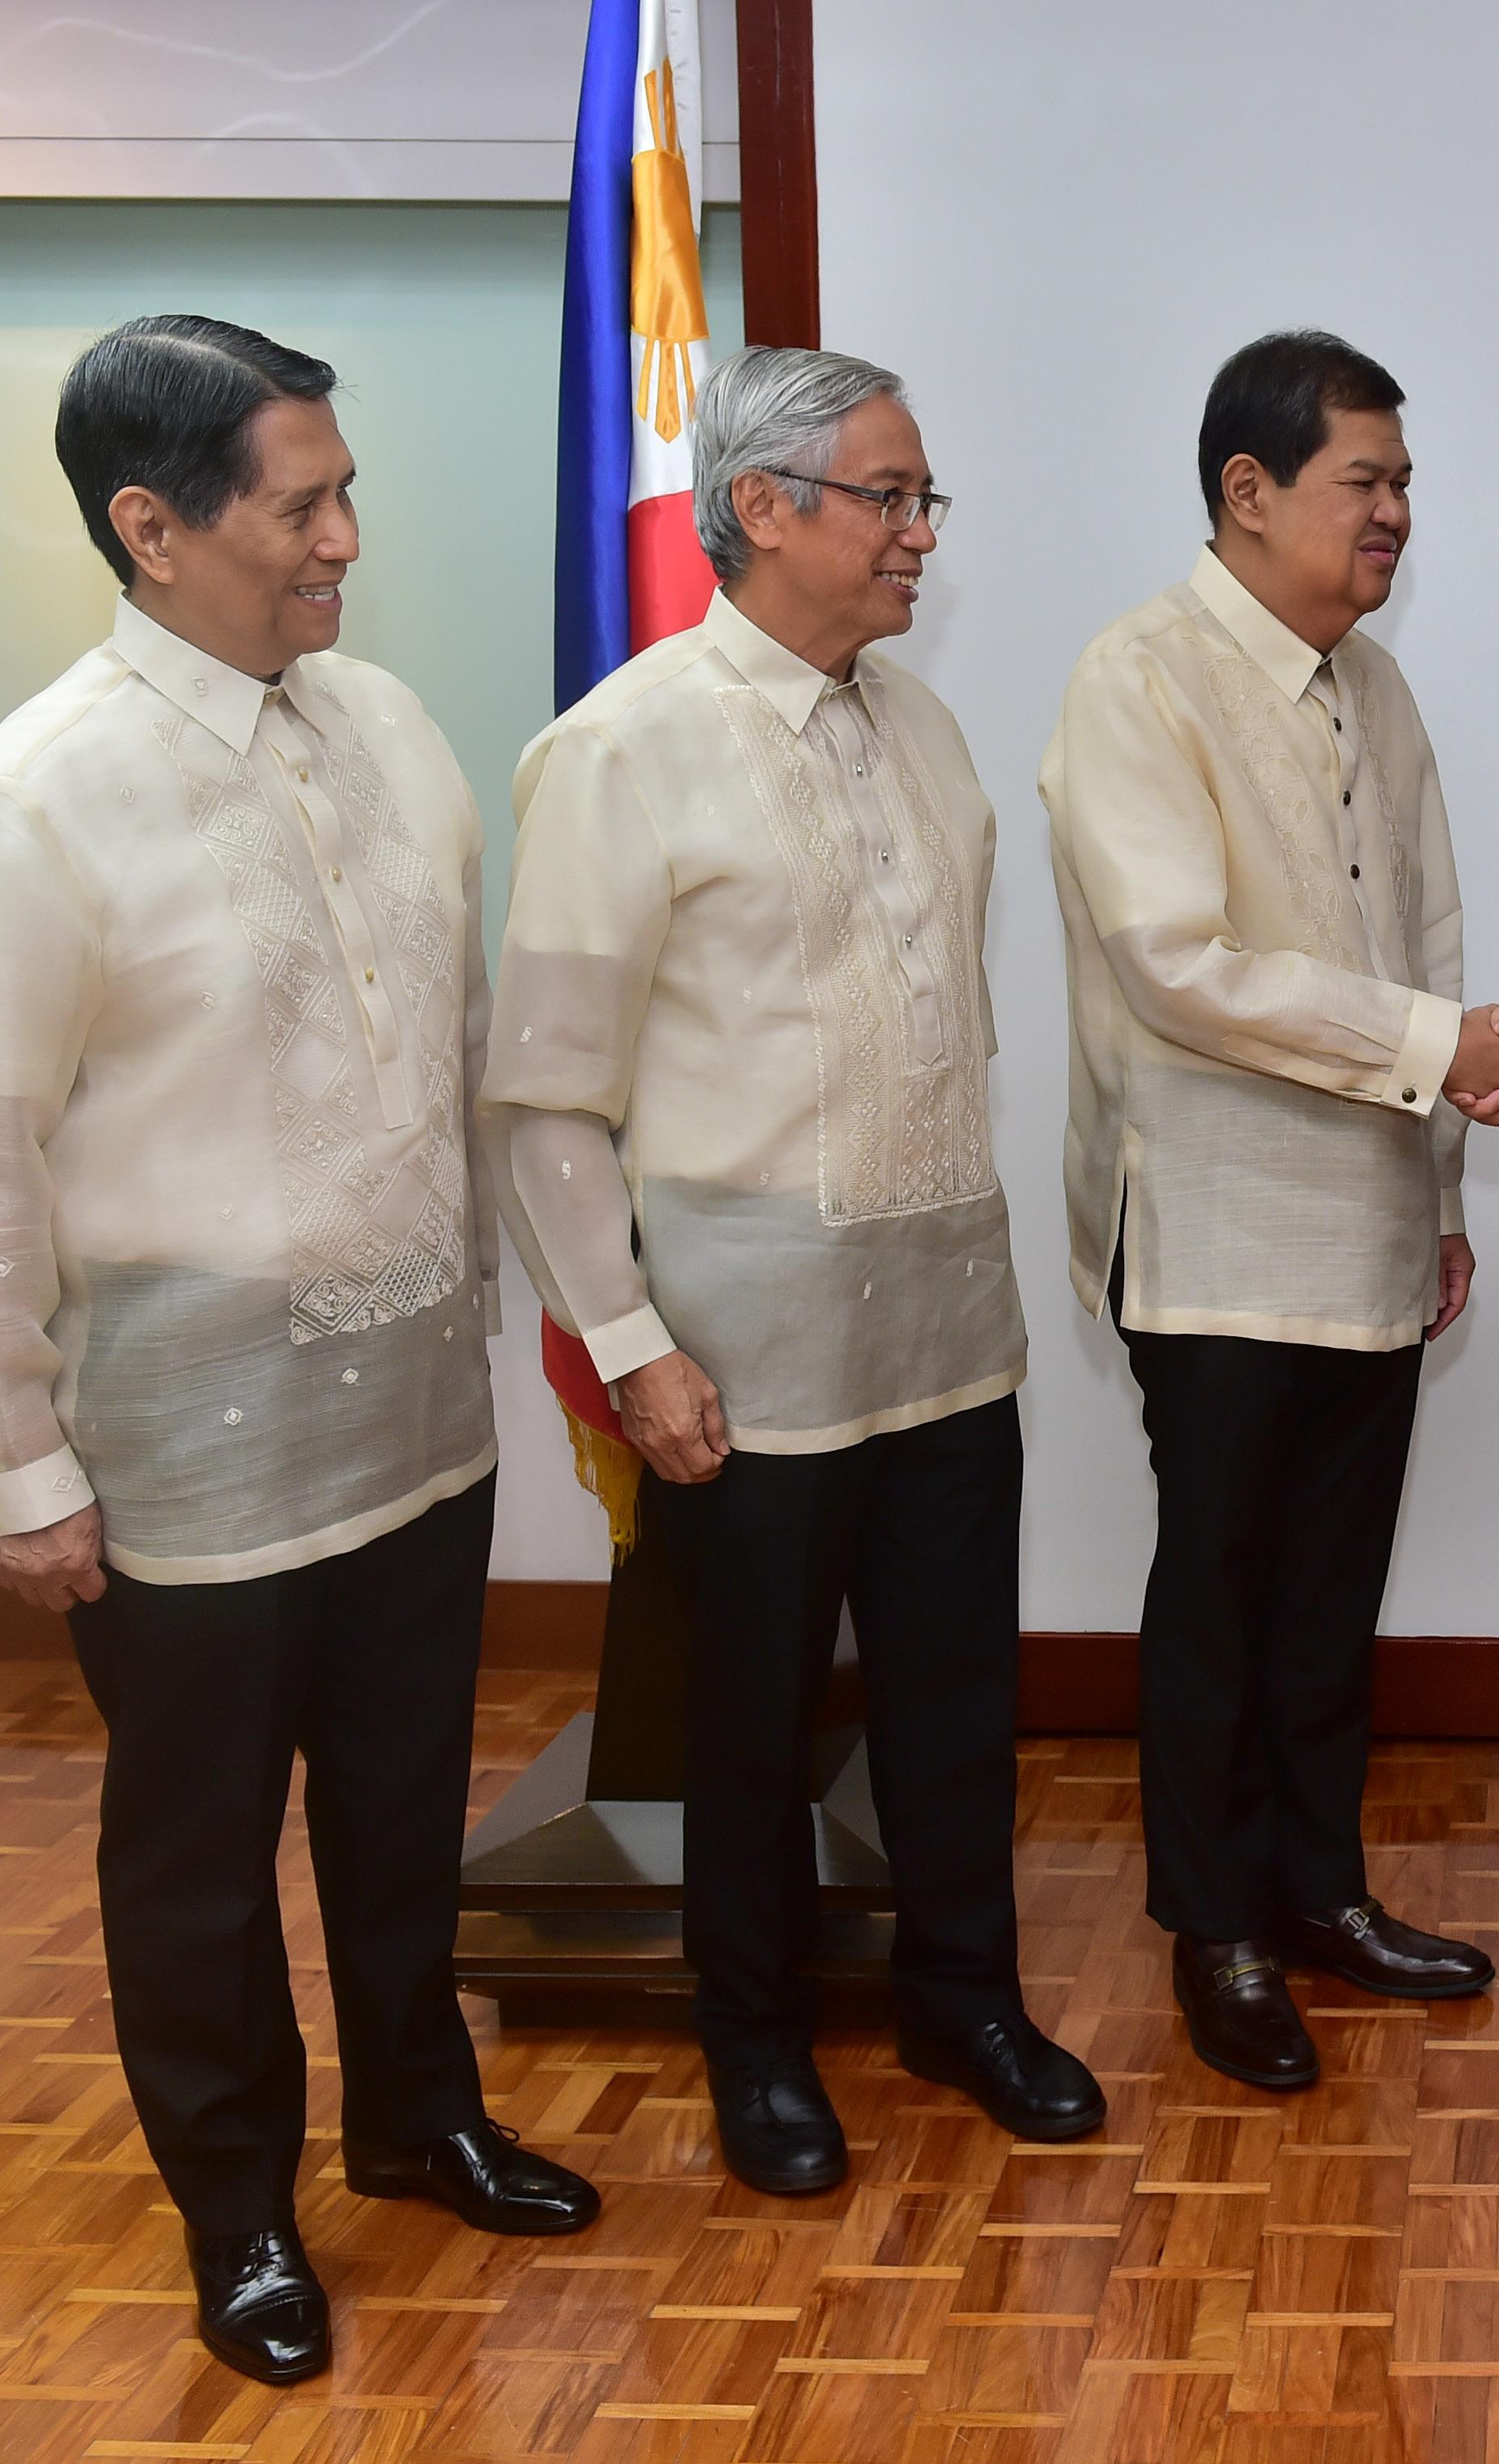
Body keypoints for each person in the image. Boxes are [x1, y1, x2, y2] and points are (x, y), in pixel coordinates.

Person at [0, 316, 596, 2387]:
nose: (346, 540)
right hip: (182, 1450)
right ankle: (241, 2207)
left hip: (411, 1417)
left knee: (397, 1805)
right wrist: (11, 1462)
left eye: (345, 489)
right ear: (151, 525)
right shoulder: (26, 807)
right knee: (198, 1859)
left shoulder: (389, 728)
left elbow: (455, 1067)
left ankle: (421, 2111)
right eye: (305, 501)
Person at [488, 346, 1099, 2192]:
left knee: (951, 1696)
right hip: (737, 1356)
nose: (921, 535)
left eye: (926, 502)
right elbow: (543, 1103)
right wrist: (630, 1341)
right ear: (763, 509)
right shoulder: (622, 748)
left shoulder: (919, 724)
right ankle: (754, 2046)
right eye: (890, 498)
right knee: (748, 1729)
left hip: (942, 1326)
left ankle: (962, 1996)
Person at [1041, 331, 1499, 2090]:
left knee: (1330, 1592)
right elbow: (1180, 967)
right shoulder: (1138, 678)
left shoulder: (1371, 684)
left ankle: (1323, 1891)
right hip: (1220, 1228)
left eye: (1403, 481)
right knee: (1222, 1599)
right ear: (1246, 495)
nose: (1397, 512)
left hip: (1371, 1225)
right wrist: (1432, 1048)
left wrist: (1445, 1183)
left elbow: (1433, 944)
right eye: (1364, 482)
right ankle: (1217, 1927)